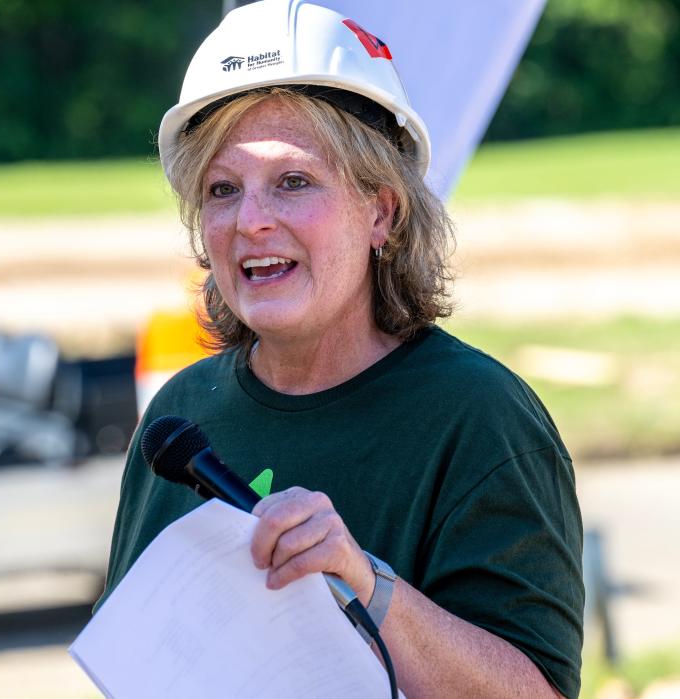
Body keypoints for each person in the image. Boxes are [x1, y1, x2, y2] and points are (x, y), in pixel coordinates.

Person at [98, 1, 584, 696]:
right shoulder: (180, 417)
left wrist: (366, 586)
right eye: (221, 190)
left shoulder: (480, 418)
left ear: (381, 211)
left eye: (293, 182)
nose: (251, 221)